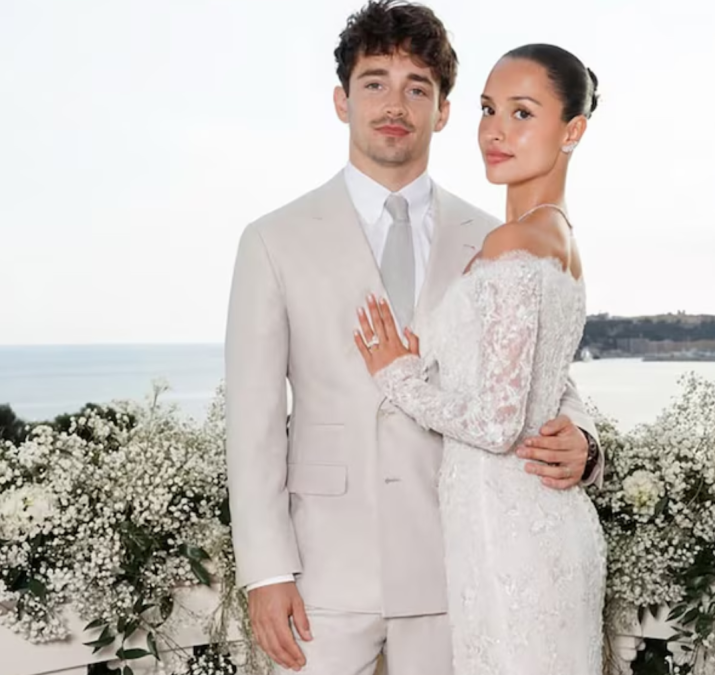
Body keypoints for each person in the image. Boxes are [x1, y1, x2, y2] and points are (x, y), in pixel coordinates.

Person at [222, 2, 604, 673]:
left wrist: (586, 442)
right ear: (342, 101)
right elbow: (252, 419)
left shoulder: (496, 235)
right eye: (374, 83)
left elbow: (549, 372)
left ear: (444, 110)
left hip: (461, 566)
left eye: (417, 88)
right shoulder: (273, 239)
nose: (394, 105)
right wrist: (266, 570)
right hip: (323, 573)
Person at [354, 40, 606, 675]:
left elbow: (498, 425)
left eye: (522, 113)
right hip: (520, 523)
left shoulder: (515, 242)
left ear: (572, 130)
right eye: (489, 109)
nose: (495, 131)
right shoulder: (558, 239)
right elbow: (539, 380)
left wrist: (398, 375)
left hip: (508, 535)